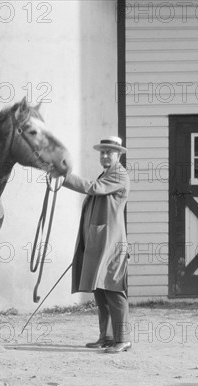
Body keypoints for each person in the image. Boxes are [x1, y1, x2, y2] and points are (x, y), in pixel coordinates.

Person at [63, 136, 131, 354]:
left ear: (118, 154)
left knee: (113, 289)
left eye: (109, 152)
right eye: (102, 152)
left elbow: (93, 188)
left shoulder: (119, 174)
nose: (104, 156)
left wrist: (64, 176)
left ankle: (123, 338)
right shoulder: (107, 173)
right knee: (100, 291)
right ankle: (107, 336)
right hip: (98, 241)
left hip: (111, 244)